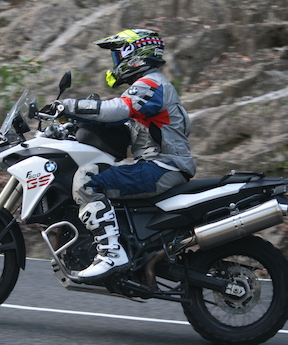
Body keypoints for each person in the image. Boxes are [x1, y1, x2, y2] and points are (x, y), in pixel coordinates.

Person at [59, 29, 196, 280]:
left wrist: (66, 106)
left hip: (162, 166)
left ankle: (111, 253)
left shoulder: (151, 83)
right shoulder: (148, 86)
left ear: (136, 54)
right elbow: (120, 125)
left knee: (88, 179)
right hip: (160, 165)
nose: (116, 61)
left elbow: (118, 109)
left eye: (118, 54)